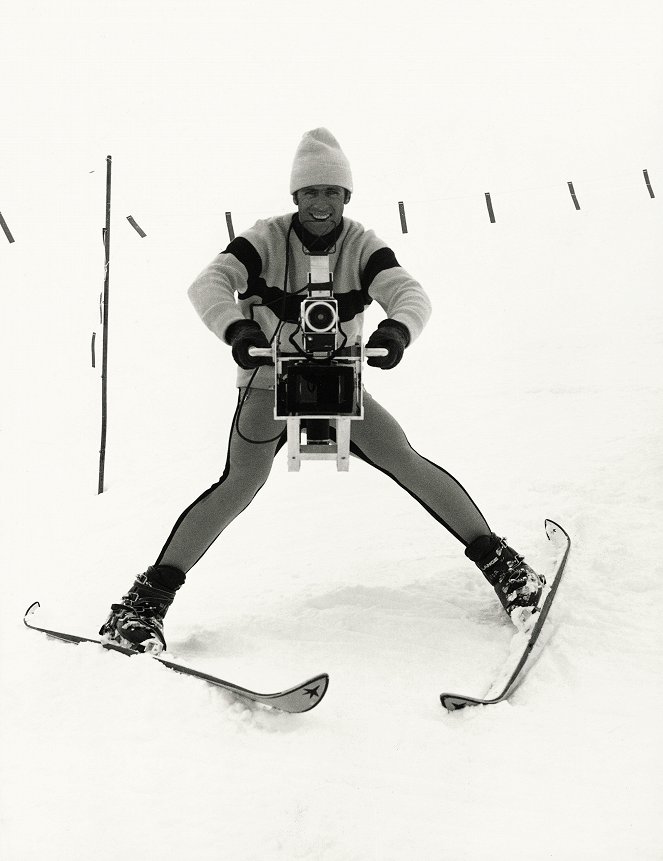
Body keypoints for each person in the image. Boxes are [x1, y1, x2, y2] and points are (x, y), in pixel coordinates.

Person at [99, 128, 545, 653]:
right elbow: (208, 285)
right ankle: (143, 605)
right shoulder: (264, 238)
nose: (321, 203)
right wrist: (237, 330)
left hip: (337, 381)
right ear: (294, 196)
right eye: (310, 192)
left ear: (346, 197)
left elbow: (409, 292)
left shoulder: (362, 243)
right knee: (238, 484)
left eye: (332, 192)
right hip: (270, 381)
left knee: (405, 459)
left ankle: (503, 568)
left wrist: (397, 330)